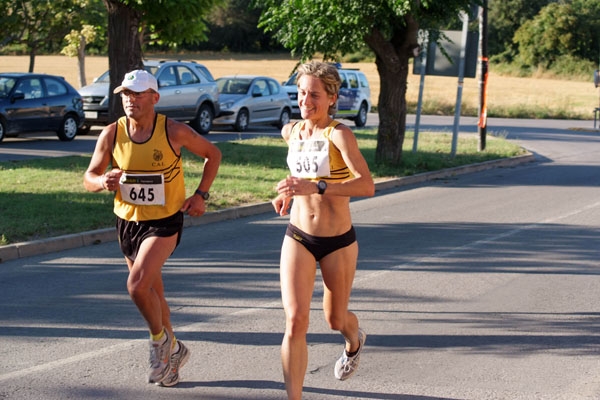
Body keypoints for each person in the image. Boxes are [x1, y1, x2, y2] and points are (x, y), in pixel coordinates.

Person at [83, 69, 221, 387]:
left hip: (164, 222)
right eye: (126, 94)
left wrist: (200, 195)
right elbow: (89, 176)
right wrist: (102, 181)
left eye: (138, 94)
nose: (130, 100)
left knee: (136, 286)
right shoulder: (112, 134)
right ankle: (174, 355)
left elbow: (213, 154)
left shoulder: (173, 131)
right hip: (128, 222)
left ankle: (159, 342)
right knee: (154, 294)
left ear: (154, 98)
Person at [272, 61, 375, 400]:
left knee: (335, 319)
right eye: (301, 93)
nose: (306, 101)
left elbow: (366, 186)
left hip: (337, 241)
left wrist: (317, 187)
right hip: (299, 235)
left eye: (314, 95)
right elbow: (296, 179)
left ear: (332, 98)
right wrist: (285, 193)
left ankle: (354, 340)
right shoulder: (292, 132)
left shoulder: (339, 134)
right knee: (296, 320)